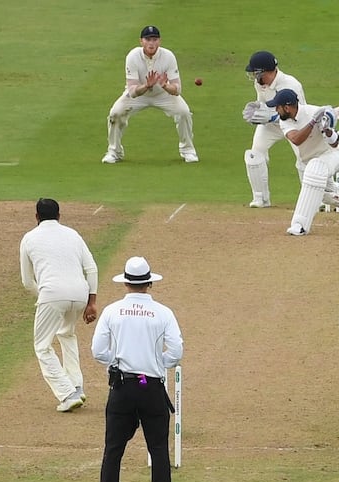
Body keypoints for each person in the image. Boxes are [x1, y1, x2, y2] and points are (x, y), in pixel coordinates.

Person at [92, 256, 183, 482]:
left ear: (126, 284)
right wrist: (156, 364)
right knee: (158, 449)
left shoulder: (112, 311)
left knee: (113, 449)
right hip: (150, 384)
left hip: (123, 386)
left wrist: (117, 363)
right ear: (149, 284)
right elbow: (176, 352)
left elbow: (98, 351)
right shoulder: (163, 313)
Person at [19, 198, 99, 413]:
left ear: (36, 217)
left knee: (42, 347)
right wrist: (91, 302)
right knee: (66, 334)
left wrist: (45, 296)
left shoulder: (29, 238)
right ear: (59, 215)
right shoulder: (72, 234)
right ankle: (76, 386)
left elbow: (27, 282)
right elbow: (91, 268)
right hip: (80, 294)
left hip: (53, 294)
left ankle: (67, 393)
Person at [265, 88, 339, 236]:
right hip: (306, 162)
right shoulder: (285, 122)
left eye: (277, 107)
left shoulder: (314, 112)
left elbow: (335, 143)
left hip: (332, 155)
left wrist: (327, 129)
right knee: (320, 193)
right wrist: (312, 123)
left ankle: (300, 225)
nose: (276, 110)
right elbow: (296, 139)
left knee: (315, 170)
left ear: (287, 107)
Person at [102, 26, 199, 164]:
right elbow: (132, 92)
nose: (151, 43)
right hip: (140, 94)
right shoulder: (133, 56)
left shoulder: (168, 56)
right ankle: (114, 152)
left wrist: (165, 85)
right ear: (141, 41)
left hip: (163, 94)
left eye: (154, 39)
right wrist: (147, 85)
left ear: (159, 41)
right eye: (148, 39)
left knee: (184, 112)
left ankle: (188, 151)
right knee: (115, 113)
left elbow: (177, 90)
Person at [239, 50, 306, 208]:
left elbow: (299, 112)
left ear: (267, 71)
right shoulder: (260, 83)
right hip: (271, 126)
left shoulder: (291, 84)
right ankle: (261, 198)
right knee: (255, 154)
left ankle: (312, 199)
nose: (255, 77)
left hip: (295, 124)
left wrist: (272, 117)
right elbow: (263, 104)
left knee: (304, 159)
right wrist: (257, 111)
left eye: (256, 73)